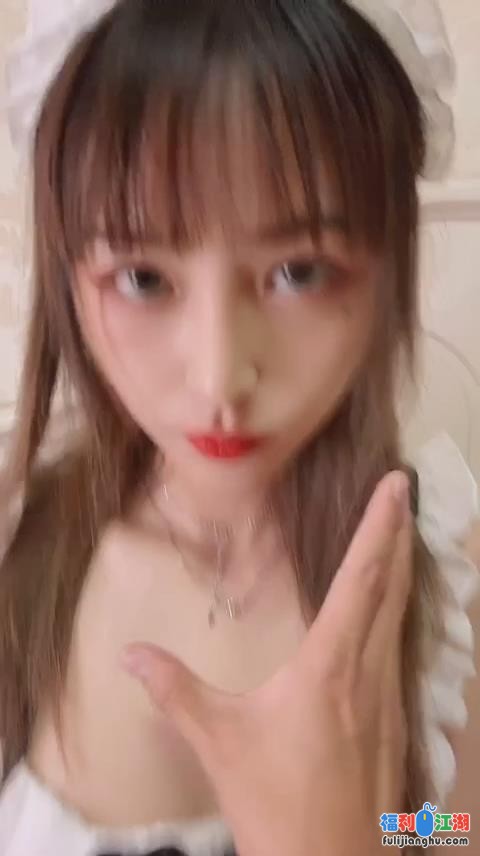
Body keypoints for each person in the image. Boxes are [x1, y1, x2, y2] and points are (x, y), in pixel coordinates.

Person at [0, 1, 478, 854]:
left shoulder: (447, 572)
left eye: (299, 271)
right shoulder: (17, 543)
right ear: (69, 274)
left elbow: (458, 828)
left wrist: (359, 838)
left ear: (389, 264)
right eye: (143, 278)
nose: (221, 377)